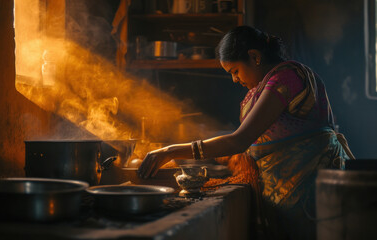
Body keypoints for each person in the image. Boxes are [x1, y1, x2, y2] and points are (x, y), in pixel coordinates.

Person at [138, 25, 354, 240]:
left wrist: (171, 151)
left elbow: (239, 140)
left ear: (254, 57)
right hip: (287, 193)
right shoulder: (262, 87)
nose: (234, 79)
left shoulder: (286, 78)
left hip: (308, 189)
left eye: (235, 71)